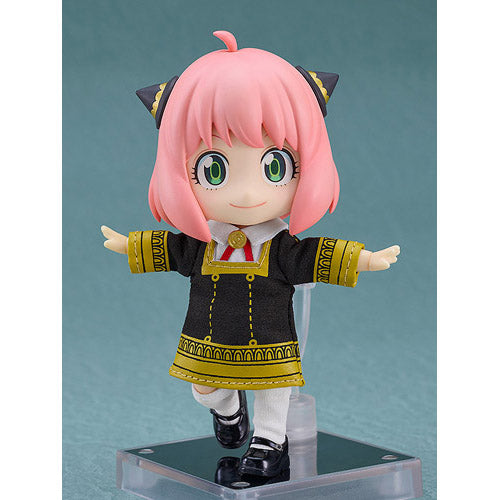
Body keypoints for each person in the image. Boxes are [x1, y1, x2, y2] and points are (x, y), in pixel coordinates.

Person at [101, 30, 400, 478]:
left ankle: (270, 441)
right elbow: (173, 249)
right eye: (213, 169)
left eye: (275, 167)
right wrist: (132, 245)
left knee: (274, 388)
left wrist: (363, 258)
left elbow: (313, 255)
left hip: (270, 338)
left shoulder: (279, 247)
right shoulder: (204, 243)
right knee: (204, 387)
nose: (245, 193)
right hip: (207, 336)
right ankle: (226, 409)